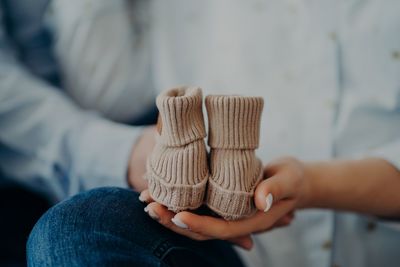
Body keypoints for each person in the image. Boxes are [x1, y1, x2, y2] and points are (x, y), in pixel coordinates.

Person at [26, 1, 400, 267]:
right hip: (228, 255)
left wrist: (310, 185)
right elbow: (104, 94)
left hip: (375, 246)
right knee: (76, 226)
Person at [0, 0, 157, 264]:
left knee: (68, 232)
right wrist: (124, 154)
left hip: (145, 124)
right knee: (67, 232)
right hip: (29, 166)